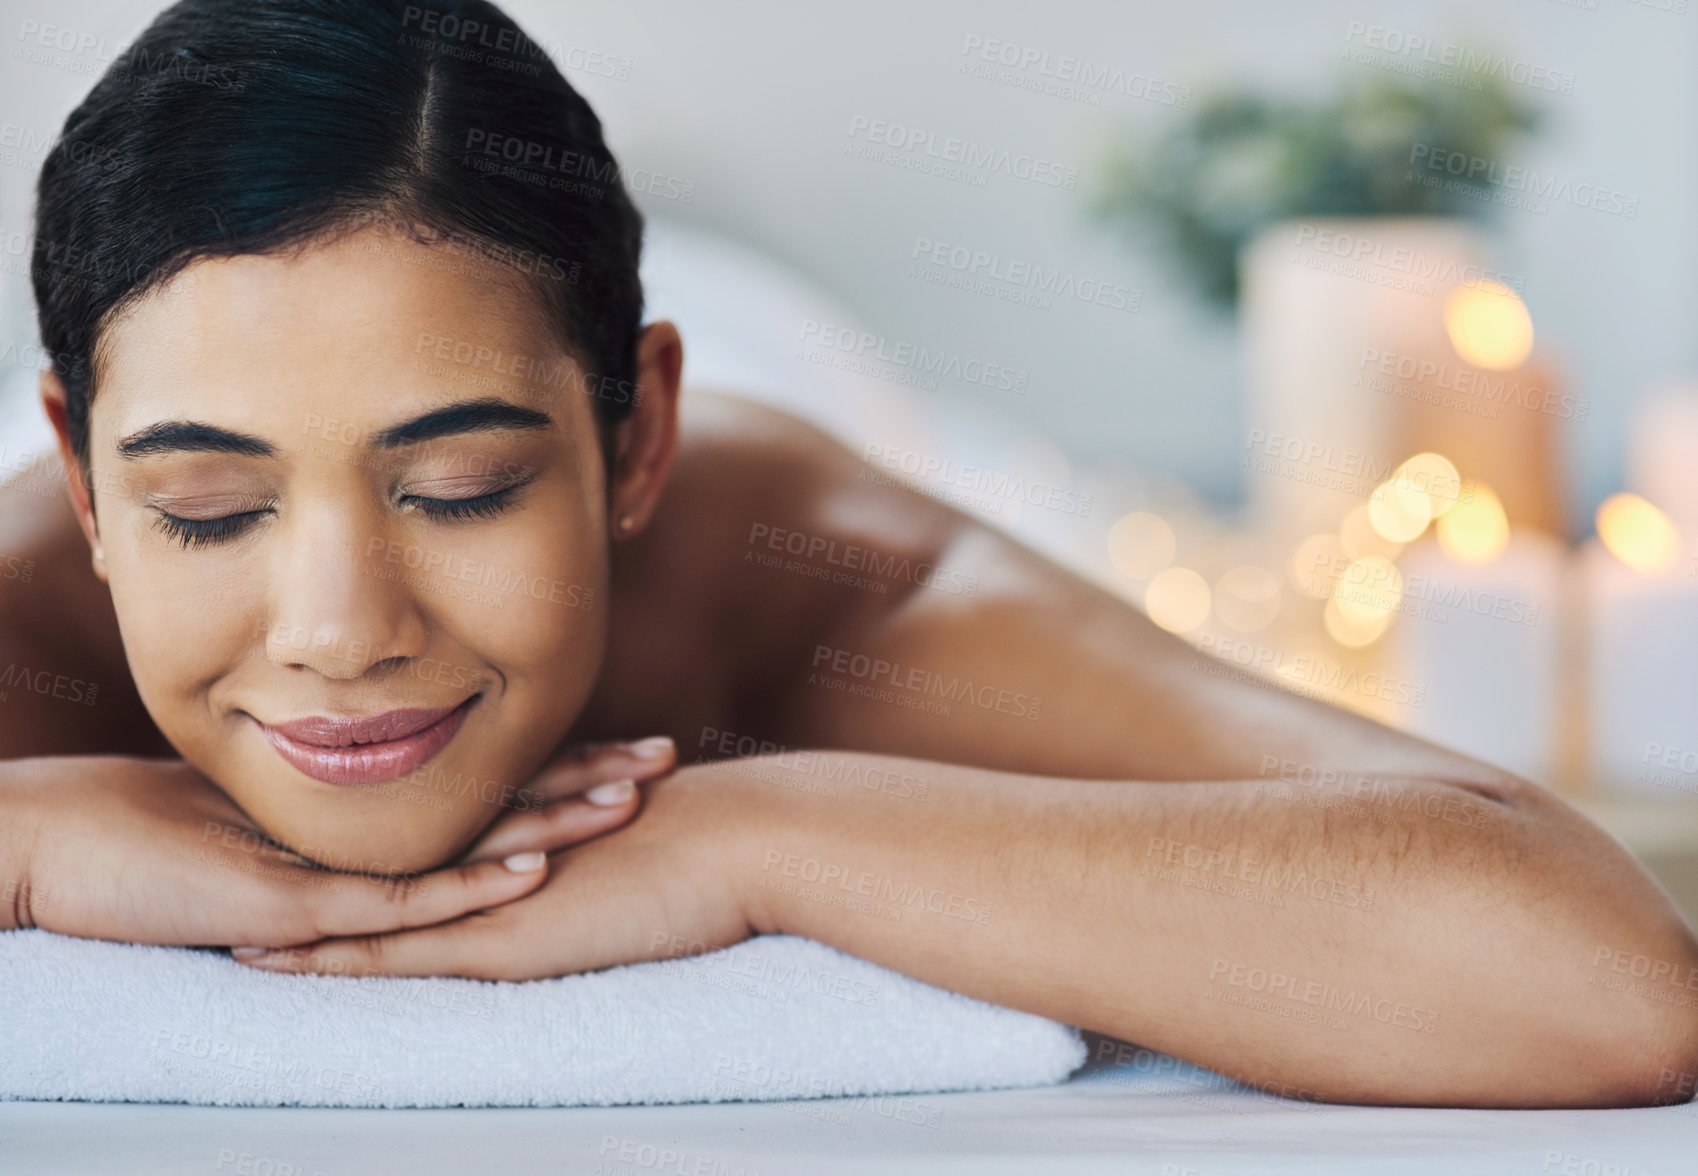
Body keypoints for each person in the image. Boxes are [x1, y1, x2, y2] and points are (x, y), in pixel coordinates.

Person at [2, 0, 1693, 1110]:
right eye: (210, 514)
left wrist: (754, 832)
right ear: (83, 477)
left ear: (636, 436)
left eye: (457, 488)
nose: (340, 630)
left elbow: (1598, 984)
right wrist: (22, 837)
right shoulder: (30, 610)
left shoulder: (828, 576)